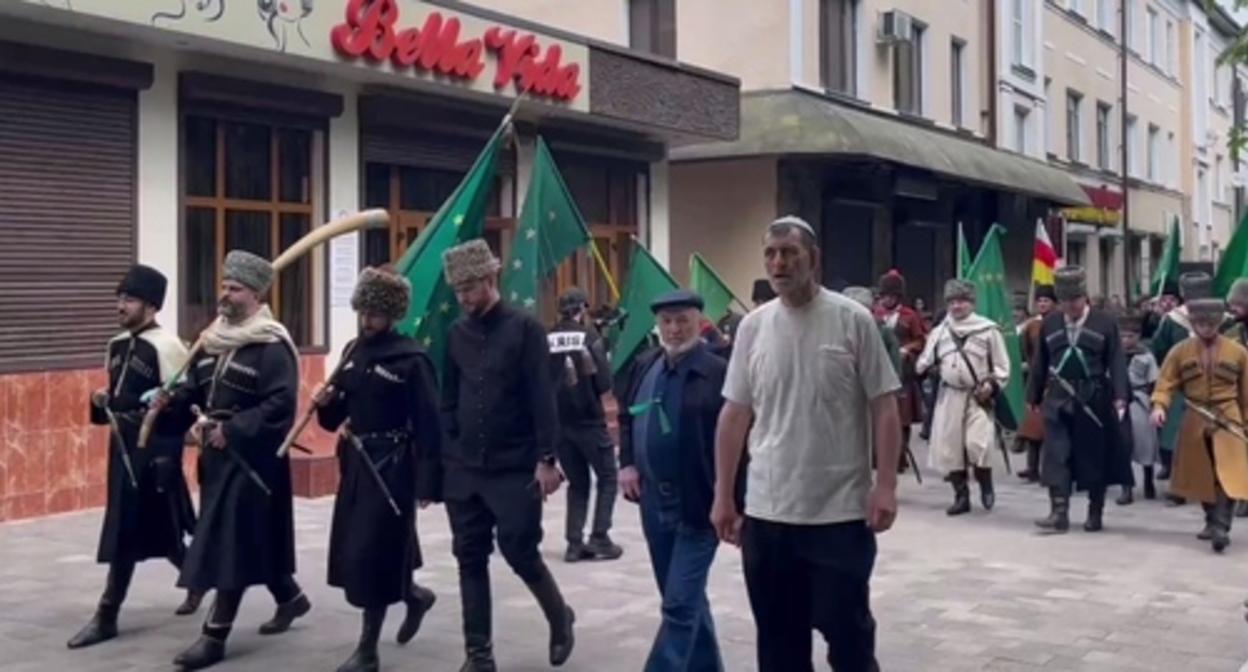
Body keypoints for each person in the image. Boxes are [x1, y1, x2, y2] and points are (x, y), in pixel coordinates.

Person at [712, 215, 902, 672]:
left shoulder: (852, 320)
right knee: (778, 643)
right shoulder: (753, 328)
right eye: (771, 254)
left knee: (849, 635)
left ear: (812, 260)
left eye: (789, 253)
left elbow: (885, 407)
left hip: (838, 515)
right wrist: (722, 496)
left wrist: (886, 486)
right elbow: (734, 415)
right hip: (768, 514)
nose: (778, 263)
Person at [150, 249, 309, 670]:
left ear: (256, 294)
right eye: (224, 285)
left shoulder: (271, 345)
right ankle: (291, 599)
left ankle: (214, 636)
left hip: (254, 464)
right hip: (216, 461)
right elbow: (197, 394)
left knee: (229, 543)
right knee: (250, 536)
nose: (225, 294)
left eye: (235, 288)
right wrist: (171, 403)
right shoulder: (212, 339)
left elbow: (280, 406)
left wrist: (233, 430)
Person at [439, 239, 575, 671]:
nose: (464, 298)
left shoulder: (525, 329)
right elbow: (447, 399)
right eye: (458, 291)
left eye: (471, 289)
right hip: (465, 468)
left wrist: (546, 458)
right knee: (469, 556)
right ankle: (478, 655)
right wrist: (447, 452)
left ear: (490, 279)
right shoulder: (455, 333)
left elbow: (542, 397)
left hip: (515, 465)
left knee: (519, 550)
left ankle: (559, 616)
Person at [313, 265, 442, 671]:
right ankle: (414, 595)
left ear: (392, 315)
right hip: (356, 465)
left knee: (374, 551)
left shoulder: (412, 359)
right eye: (363, 312)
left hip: (394, 466)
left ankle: (367, 649)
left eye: (375, 314)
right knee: (361, 549)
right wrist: (325, 401)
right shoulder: (353, 352)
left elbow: (430, 424)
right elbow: (334, 419)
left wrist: (429, 481)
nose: (367, 321)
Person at [67, 265, 202, 650]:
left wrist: (161, 409)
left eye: (129, 299)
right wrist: (103, 401)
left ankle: (107, 614)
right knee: (151, 531)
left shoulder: (168, 346)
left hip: (155, 455)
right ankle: (197, 580)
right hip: (122, 451)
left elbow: (186, 403)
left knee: (140, 530)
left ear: (151, 305)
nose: (120, 306)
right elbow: (116, 394)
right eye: (120, 298)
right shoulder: (117, 345)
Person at [616, 289, 730, 672]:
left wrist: (732, 500)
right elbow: (629, 417)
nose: (675, 329)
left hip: (699, 504)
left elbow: (739, 440)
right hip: (653, 502)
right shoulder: (646, 365)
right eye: (667, 321)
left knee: (679, 604)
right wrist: (627, 463)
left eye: (682, 320)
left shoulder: (717, 373)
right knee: (684, 598)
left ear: (699, 323)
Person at [1026, 266, 1130, 535]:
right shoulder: (1050, 324)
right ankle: (1058, 513)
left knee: (1092, 457)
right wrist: (1033, 395)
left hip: (1093, 397)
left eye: (1075, 300)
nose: (1070, 306)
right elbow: (1041, 362)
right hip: (1058, 398)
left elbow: (1116, 361)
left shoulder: (1105, 323)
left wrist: (1120, 396)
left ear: (1084, 298)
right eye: (1065, 301)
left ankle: (1095, 512)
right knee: (1056, 455)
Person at [1151, 286, 1248, 553]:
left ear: (1220, 322)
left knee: (1227, 474)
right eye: (1201, 323)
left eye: (1212, 323)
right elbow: (1166, 382)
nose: (1206, 328)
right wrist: (1159, 406)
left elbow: (1246, 390)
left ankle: (1221, 526)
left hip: (1228, 416)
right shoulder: (1180, 352)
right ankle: (1211, 519)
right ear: (1193, 322)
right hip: (1195, 417)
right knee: (1202, 475)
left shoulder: (1237, 352)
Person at [916, 279, 1010, 516]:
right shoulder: (939, 333)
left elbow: (1002, 366)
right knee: (951, 450)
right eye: (952, 302)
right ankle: (961, 496)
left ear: (971, 303)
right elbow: (924, 362)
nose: (956, 306)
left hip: (977, 397)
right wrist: (924, 368)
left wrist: (991, 384)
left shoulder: (988, 330)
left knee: (977, 443)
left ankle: (985, 481)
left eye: (961, 301)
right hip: (949, 396)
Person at [548, 287, 623, 563]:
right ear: (581, 310)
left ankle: (573, 542)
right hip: (589, 421)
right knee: (607, 477)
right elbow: (603, 383)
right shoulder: (590, 337)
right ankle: (600, 536)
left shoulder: (546, 338)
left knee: (577, 483)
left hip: (559, 424)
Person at [875, 268, 927, 473]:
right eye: (884, 296)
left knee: (902, 418)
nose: (887, 300)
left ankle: (900, 455)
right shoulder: (875, 316)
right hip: (879, 370)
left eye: (891, 296)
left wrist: (907, 349)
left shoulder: (910, 316)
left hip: (902, 372)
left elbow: (921, 340)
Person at [1150, 275, 1195, 496]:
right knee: (1176, 436)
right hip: (1179, 387)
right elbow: (1158, 348)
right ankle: (1178, 485)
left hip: (1210, 389)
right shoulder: (1172, 320)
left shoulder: (1220, 318)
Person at [1016, 284, 1057, 483]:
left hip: (1056, 380)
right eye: (1039, 301)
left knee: (1052, 431)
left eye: (1046, 301)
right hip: (1037, 379)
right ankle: (1032, 467)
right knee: (1033, 428)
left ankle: (1051, 470)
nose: (1042, 304)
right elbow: (1026, 350)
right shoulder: (1031, 326)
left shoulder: (1060, 323)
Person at [1117, 313, 1159, 504]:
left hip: (1140, 400)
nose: (1126, 340)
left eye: (1131, 336)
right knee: (1122, 444)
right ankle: (1126, 487)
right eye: (1123, 336)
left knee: (1145, 443)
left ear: (1139, 336)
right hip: (1119, 401)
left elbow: (1153, 381)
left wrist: (1153, 402)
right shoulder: (1113, 354)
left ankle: (1148, 479)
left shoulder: (1146, 356)